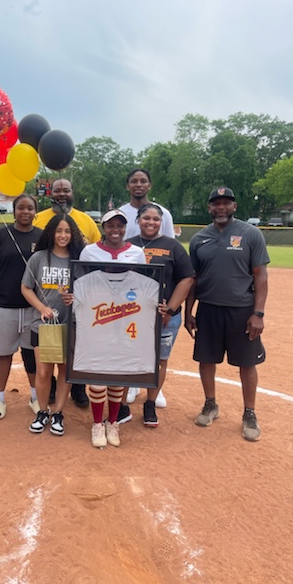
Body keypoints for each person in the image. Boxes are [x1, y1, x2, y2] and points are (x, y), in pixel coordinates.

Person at [184, 186, 269, 442]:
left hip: (241, 310)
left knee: (247, 362)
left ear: (234, 206)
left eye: (226, 203)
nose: (221, 207)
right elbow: (193, 280)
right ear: (209, 208)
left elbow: (261, 276)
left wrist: (258, 313)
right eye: (216, 203)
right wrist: (189, 312)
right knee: (206, 359)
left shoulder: (250, 234)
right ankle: (211, 404)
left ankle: (249, 413)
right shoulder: (199, 239)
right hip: (209, 308)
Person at [79, 209, 146, 448]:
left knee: (118, 373)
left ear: (125, 227)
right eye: (110, 225)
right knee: (98, 374)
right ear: (103, 227)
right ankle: (98, 423)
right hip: (97, 318)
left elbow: (141, 284)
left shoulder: (136, 253)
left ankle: (113, 422)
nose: (115, 229)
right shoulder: (90, 251)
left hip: (125, 319)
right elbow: (82, 281)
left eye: (120, 225)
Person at [34, 178, 101, 407]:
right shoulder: (39, 218)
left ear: (73, 192)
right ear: (50, 193)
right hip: (45, 292)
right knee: (47, 351)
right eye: (57, 190)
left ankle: (78, 389)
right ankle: (50, 388)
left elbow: (95, 254)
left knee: (75, 348)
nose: (62, 194)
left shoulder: (86, 220)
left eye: (66, 190)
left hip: (77, 296)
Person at [0, 194, 43, 419]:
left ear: (36, 211)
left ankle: (35, 397)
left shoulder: (42, 238)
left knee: (32, 355)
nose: (25, 212)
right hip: (3, 306)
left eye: (30, 208)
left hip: (33, 307)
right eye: (21, 208)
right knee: (3, 354)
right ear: (14, 211)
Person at [128, 203, 195, 427]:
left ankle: (150, 402)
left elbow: (187, 278)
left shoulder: (173, 246)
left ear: (162, 222)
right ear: (138, 220)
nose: (151, 222)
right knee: (130, 356)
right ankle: (125, 397)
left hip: (165, 317)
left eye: (156, 219)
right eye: (146, 218)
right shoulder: (129, 245)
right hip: (132, 315)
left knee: (159, 360)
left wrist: (172, 308)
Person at [21, 214, 85, 436]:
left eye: (67, 231)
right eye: (59, 231)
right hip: (43, 325)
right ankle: (42, 411)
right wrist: (41, 308)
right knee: (43, 371)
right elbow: (26, 288)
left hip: (70, 323)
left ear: (73, 234)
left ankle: (58, 412)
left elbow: (87, 290)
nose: (63, 235)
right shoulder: (39, 258)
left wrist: (74, 297)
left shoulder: (77, 260)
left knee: (65, 369)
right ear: (51, 232)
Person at [119, 167, 175, 412]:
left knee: (158, 345)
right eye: (134, 181)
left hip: (156, 282)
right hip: (130, 283)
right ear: (128, 185)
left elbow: (170, 247)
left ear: (149, 185)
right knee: (131, 338)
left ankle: (156, 388)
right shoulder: (121, 212)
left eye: (143, 181)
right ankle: (132, 385)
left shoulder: (163, 212)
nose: (138, 185)